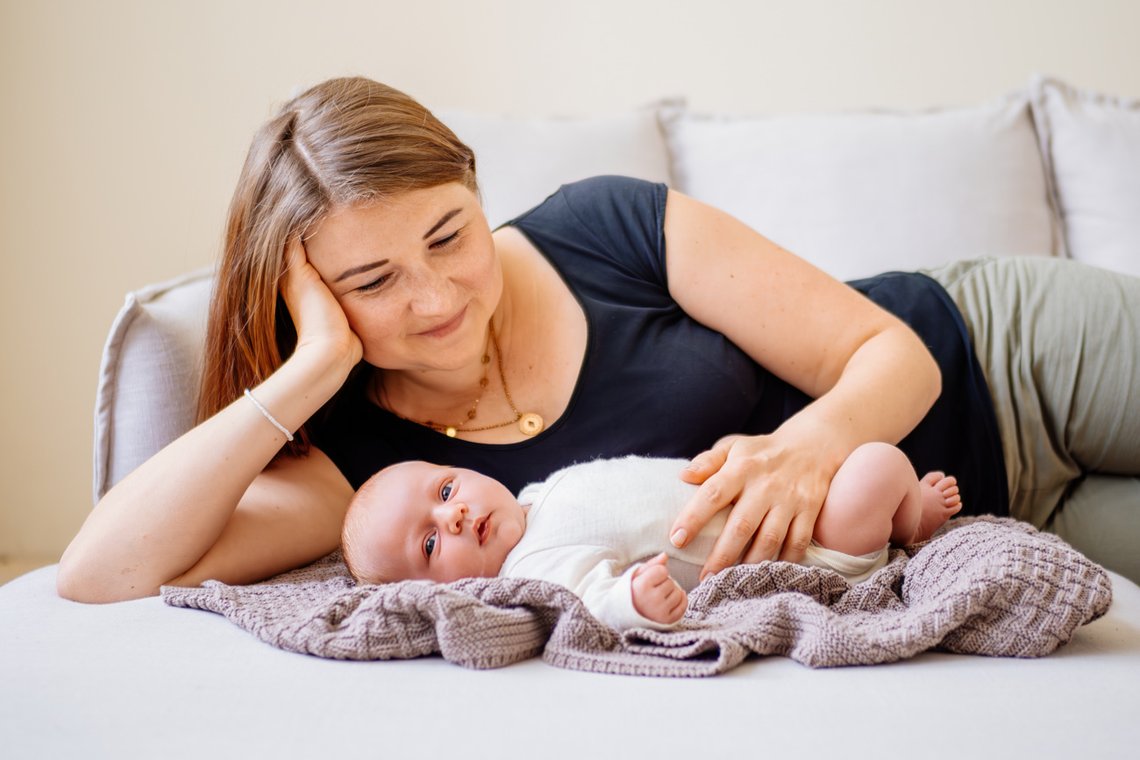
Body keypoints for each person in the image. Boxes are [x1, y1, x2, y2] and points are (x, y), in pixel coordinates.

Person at [58, 76, 1140, 603]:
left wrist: (805, 451)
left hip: (1004, 353)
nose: (436, 297)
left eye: (448, 236)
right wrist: (312, 365)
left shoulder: (603, 224)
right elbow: (97, 575)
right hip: (966, 522)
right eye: (373, 281)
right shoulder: (365, 468)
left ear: (478, 188)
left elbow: (891, 352)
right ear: (313, 298)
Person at [341, 446, 962, 630]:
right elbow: (586, 601)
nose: (451, 517)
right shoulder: (533, 566)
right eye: (428, 545)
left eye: (445, 491)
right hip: (806, 549)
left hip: (775, 507)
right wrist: (635, 601)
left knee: (857, 459)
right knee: (878, 464)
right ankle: (908, 525)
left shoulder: (539, 493)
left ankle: (904, 515)